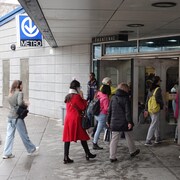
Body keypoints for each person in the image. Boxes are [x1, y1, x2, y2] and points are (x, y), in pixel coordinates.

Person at [3, 80, 39, 159]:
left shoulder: (10, 93)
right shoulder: (19, 93)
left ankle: (6, 153)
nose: (22, 86)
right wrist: (25, 104)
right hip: (17, 117)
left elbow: (13, 104)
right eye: (21, 85)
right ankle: (31, 149)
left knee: (9, 135)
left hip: (10, 117)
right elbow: (19, 103)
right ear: (18, 86)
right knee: (24, 134)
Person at [62, 80, 96, 164]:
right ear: (76, 87)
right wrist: (82, 97)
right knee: (82, 136)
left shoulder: (68, 96)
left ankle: (66, 157)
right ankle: (88, 153)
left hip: (68, 119)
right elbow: (83, 107)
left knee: (67, 137)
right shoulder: (76, 97)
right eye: (79, 87)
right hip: (76, 119)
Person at [107, 83, 140, 162]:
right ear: (125, 89)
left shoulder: (113, 98)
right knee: (129, 135)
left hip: (114, 122)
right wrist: (129, 122)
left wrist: (108, 120)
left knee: (114, 139)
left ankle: (112, 156)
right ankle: (132, 151)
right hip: (124, 122)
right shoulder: (126, 98)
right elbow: (127, 112)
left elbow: (109, 111)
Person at [144, 76, 164, 146]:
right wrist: (163, 105)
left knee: (156, 123)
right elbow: (158, 99)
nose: (160, 82)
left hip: (150, 108)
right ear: (157, 81)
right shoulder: (158, 89)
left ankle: (157, 137)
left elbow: (147, 100)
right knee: (153, 124)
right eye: (159, 81)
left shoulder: (151, 89)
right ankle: (148, 140)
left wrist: (146, 109)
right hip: (155, 108)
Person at [92, 84, 111, 150]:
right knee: (99, 130)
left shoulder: (99, 94)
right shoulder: (105, 98)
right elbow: (106, 108)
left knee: (106, 128)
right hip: (102, 115)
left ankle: (108, 140)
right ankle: (95, 143)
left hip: (96, 114)